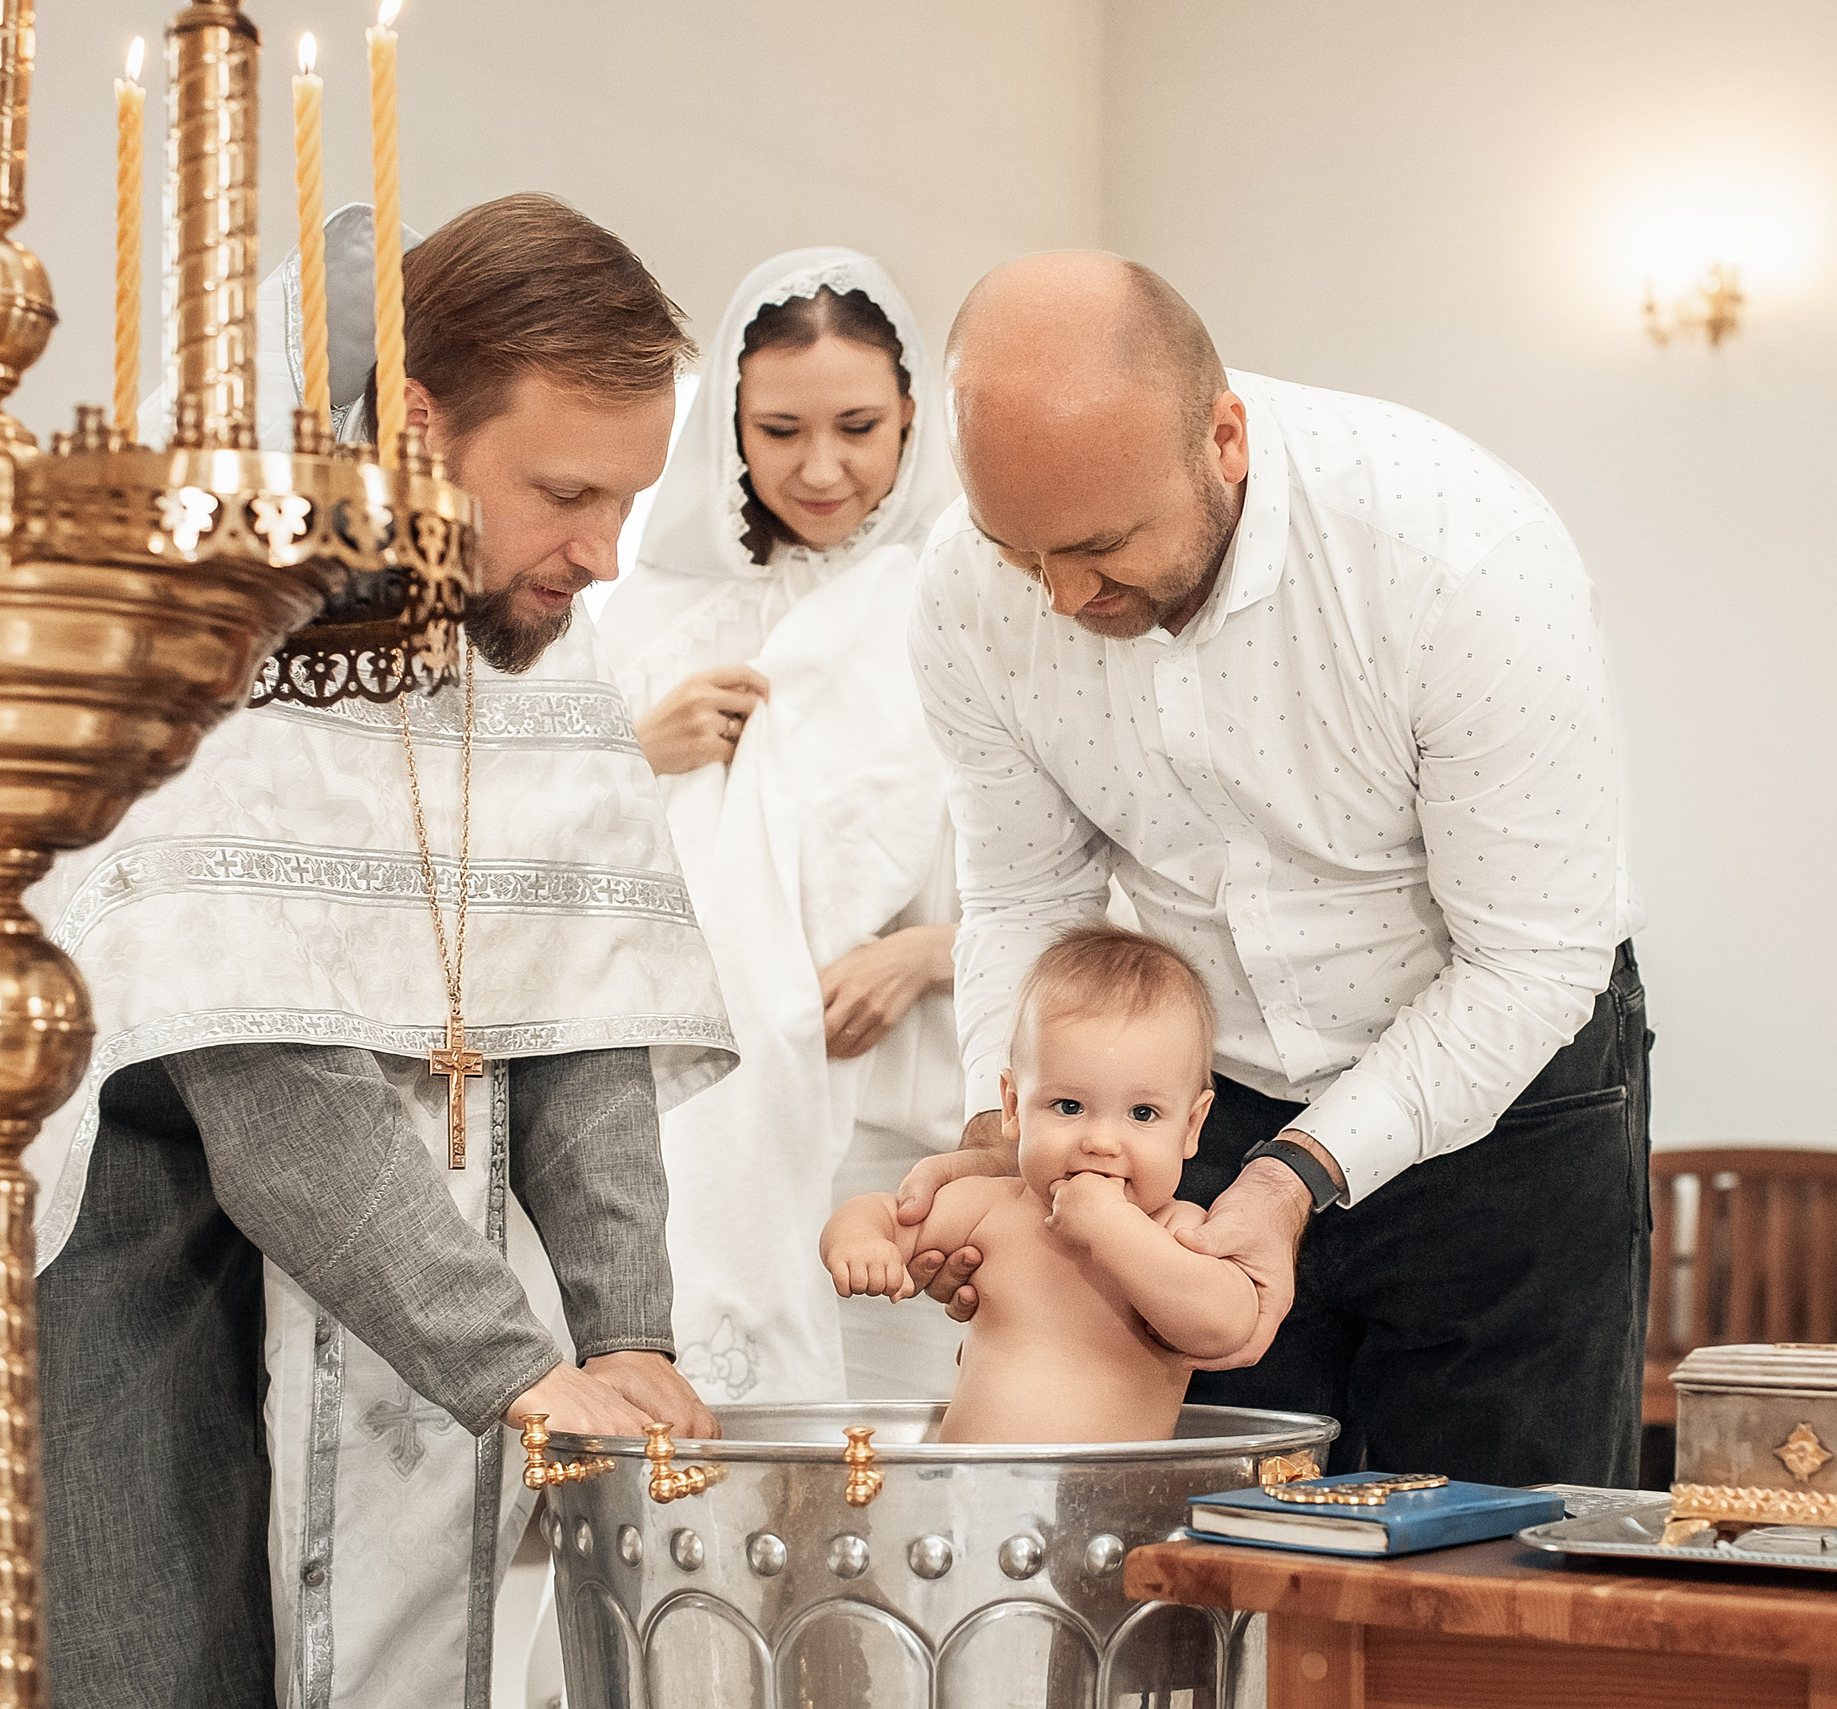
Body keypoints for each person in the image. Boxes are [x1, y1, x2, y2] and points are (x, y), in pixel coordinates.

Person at [0, 194, 735, 1709]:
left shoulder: (546, 656)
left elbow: (588, 1011)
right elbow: (282, 1091)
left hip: (422, 1292)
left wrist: (631, 1328)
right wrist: (523, 1373)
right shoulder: (221, 628)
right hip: (127, 1261)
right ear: (417, 425)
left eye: (626, 503)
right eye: (564, 494)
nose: (602, 556)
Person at [900, 252, 1651, 1487]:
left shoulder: (1460, 555)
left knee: (1492, 1591)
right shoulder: (964, 594)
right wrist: (1003, 1136)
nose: (1062, 597)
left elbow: (1528, 958)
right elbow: (1026, 895)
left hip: (1506, 1106)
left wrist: (1295, 1176)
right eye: (1018, 552)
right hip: (1197, 1109)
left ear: (1225, 440)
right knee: (1226, 1587)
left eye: (1098, 547)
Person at [596, 248, 965, 1406]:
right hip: (705, 1112)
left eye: (857, 425)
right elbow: (530, 848)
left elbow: (1076, 859)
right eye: (779, 430)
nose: (819, 468)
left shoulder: (964, 598)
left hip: (899, 1105)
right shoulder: (648, 611)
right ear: (729, 431)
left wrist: (927, 951)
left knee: (898, 1446)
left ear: (911, 415)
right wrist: (631, 755)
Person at [823, 925, 1255, 1442]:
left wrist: (1111, 1225)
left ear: (1191, 1126)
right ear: (1013, 1108)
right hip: (978, 1495)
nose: (1101, 1142)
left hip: (1116, 1508)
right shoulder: (990, 1210)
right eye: (1068, 1107)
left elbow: (1223, 1326)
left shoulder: (1181, 1232)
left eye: (1142, 1113)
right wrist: (861, 1241)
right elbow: (879, 1212)